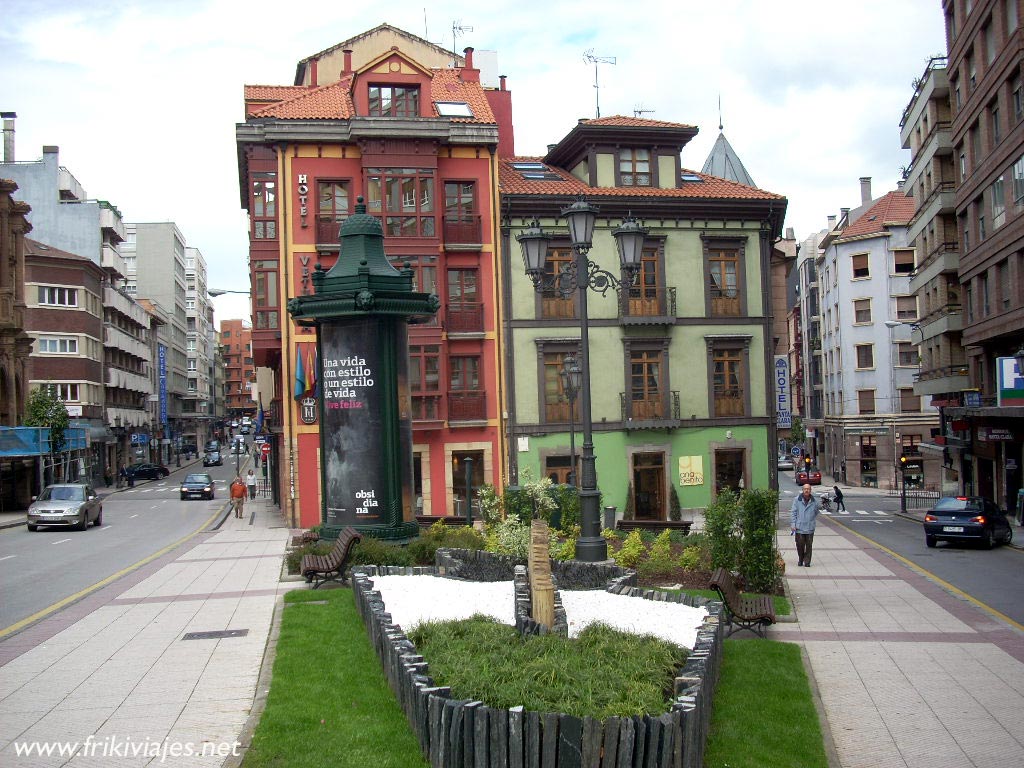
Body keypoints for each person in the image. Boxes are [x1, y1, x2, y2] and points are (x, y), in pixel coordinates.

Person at [790, 483, 820, 568]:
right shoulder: (797, 500)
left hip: (810, 527)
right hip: (799, 527)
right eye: (805, 489)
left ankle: (807, 561)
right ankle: (801, 558)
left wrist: (811, 519)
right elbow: (793, 512)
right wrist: (793, 524)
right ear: (802, 490)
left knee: (809, 545)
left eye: (808, 489)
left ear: (810, 490)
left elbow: (816, 511)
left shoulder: (814, 501)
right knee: (800, 544)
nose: (806, 490)